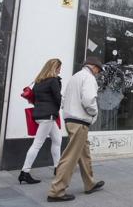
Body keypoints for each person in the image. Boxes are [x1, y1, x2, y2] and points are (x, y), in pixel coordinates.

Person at [47, 56, 105, 202]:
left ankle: (89, 183)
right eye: (98, 70)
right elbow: (88, 100)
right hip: (80, 122)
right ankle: (56, 191)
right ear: (93, 67)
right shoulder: (89, 78)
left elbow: (64, 99)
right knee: (70, 156)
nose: (98, 73)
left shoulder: (75, 77)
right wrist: (94, 113)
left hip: (70, 119)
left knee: (84, 154)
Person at [19, 58, 63, 185]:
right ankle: (25, 172)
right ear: (55, 67)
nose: (60, 70)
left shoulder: (38, 81)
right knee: (37, 144)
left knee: (57, 139)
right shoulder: (53, 81)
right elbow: (57, 98)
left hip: (39, 114)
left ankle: (57, 168)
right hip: (48, 115)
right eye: (59, 67)